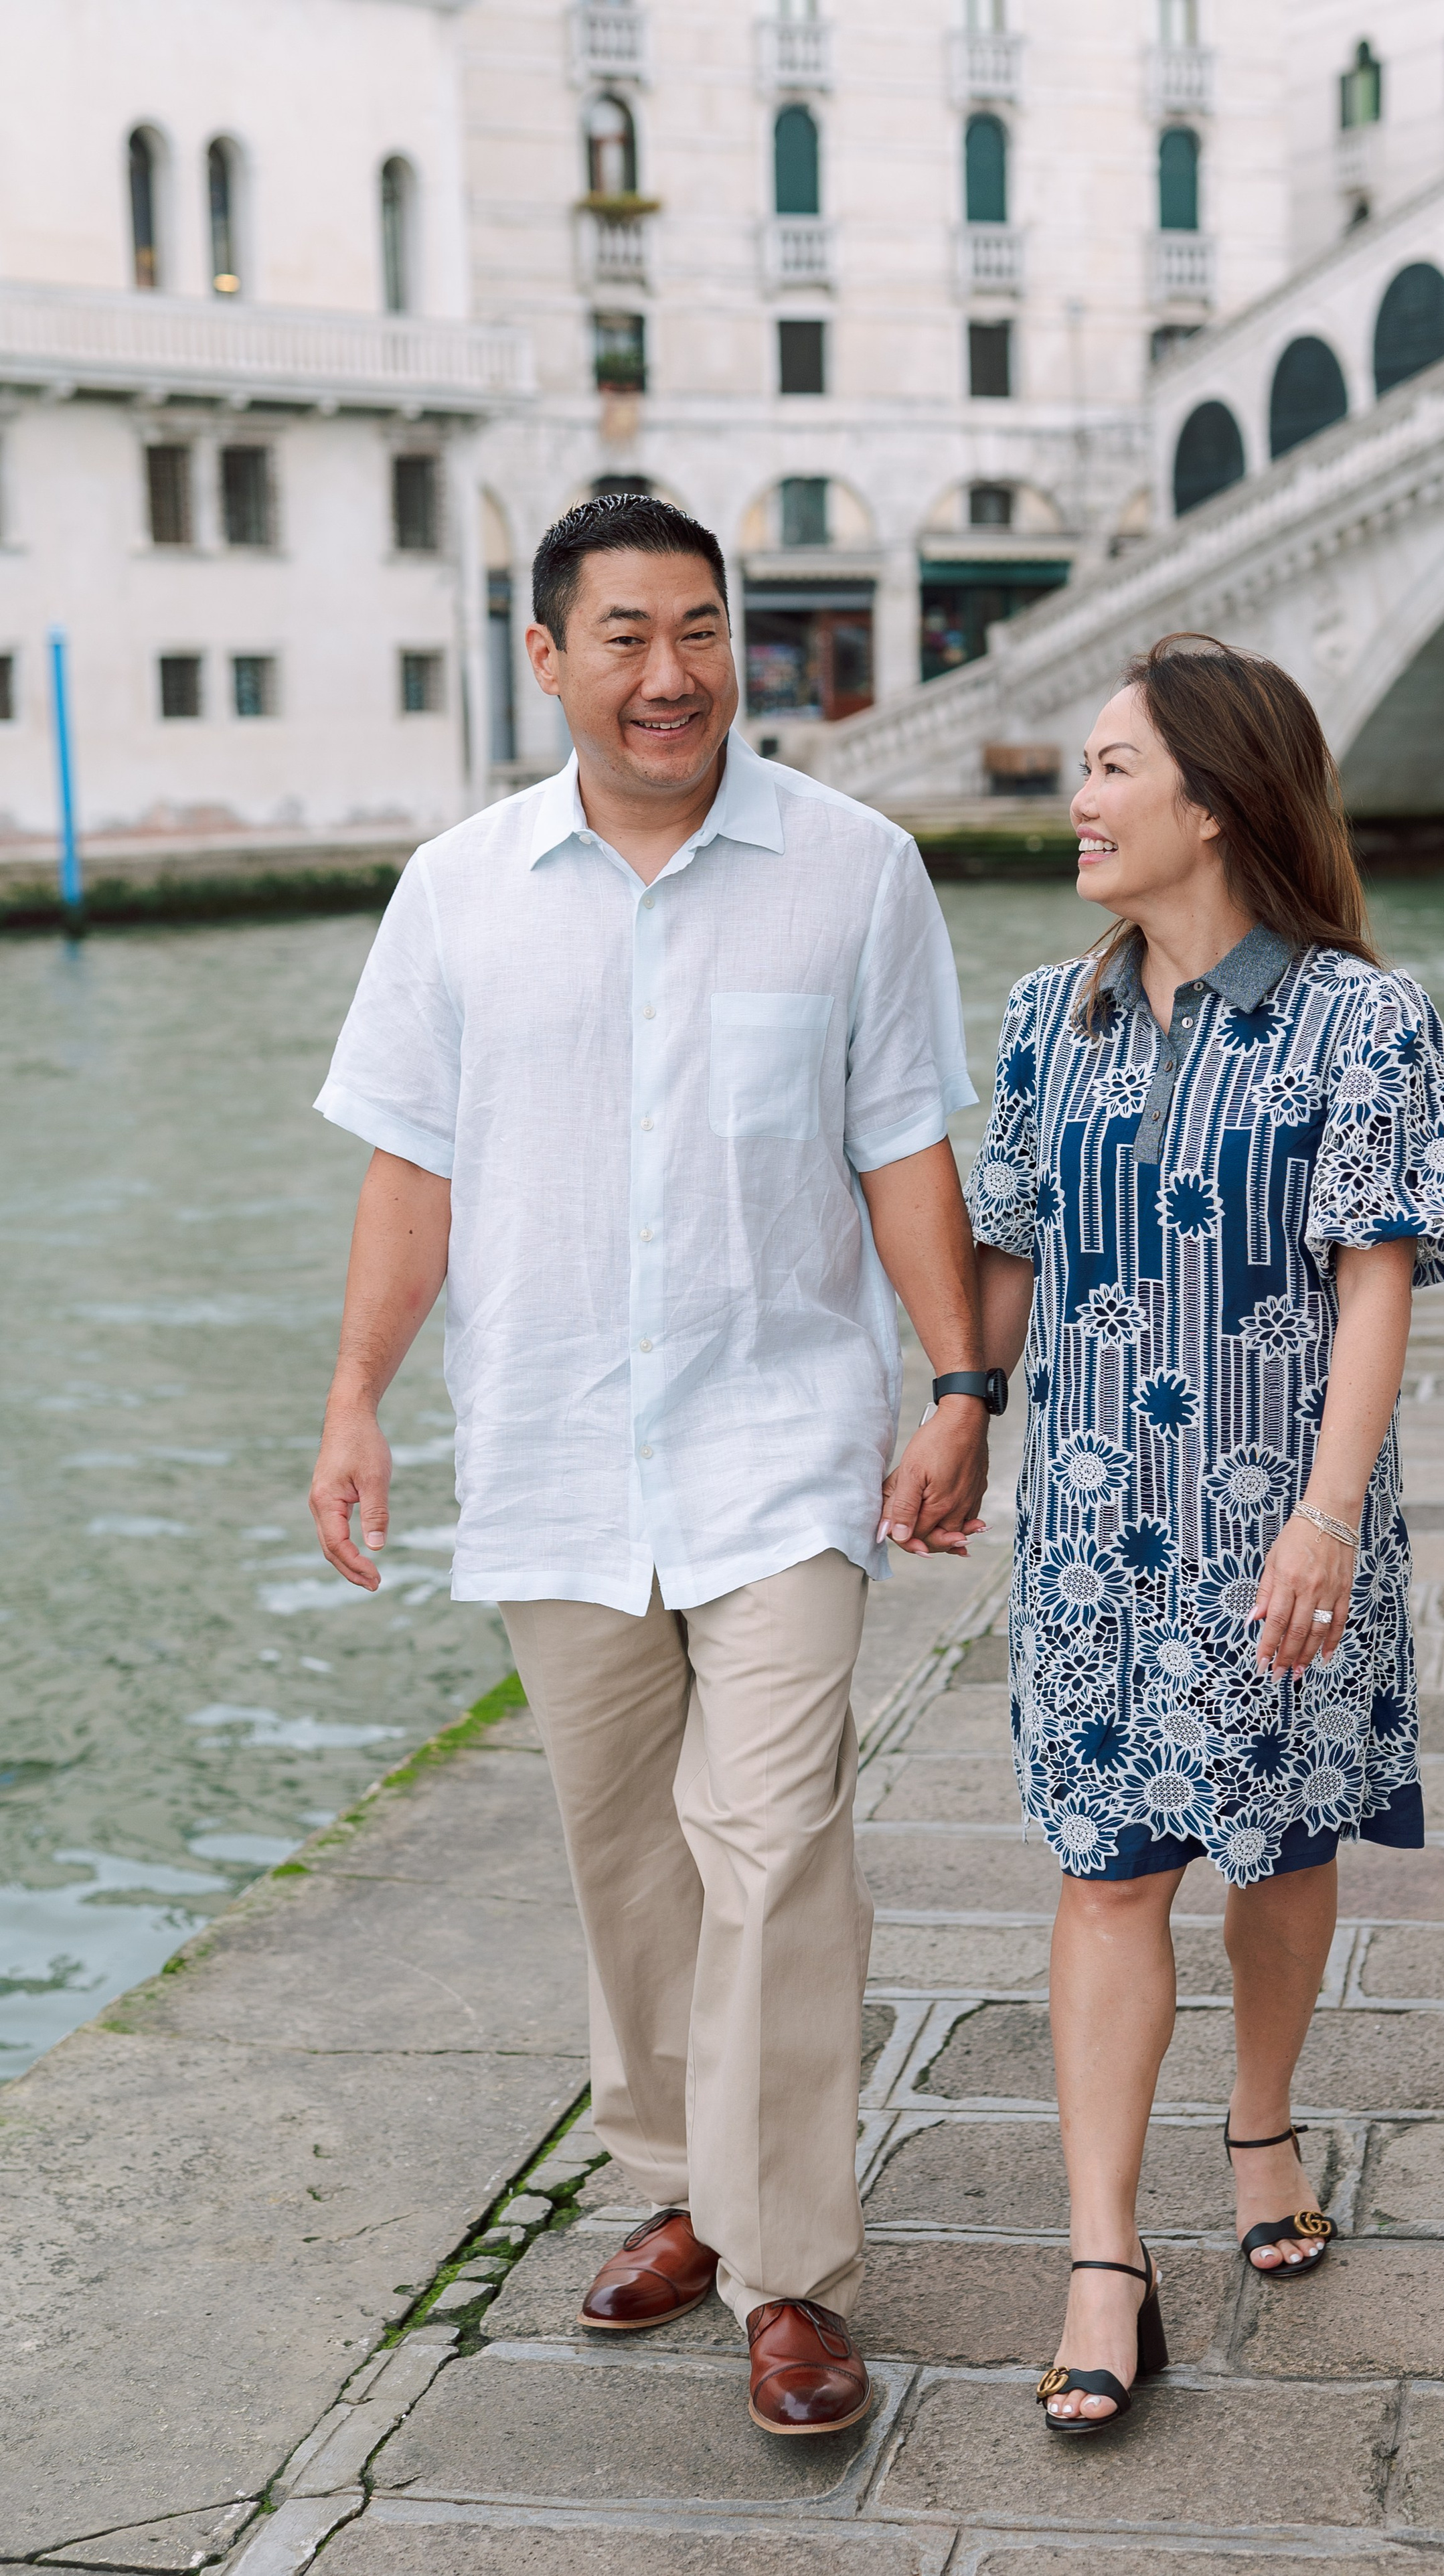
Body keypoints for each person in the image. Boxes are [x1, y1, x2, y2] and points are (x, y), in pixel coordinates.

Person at [307, 493, 997, 2437]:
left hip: (787, 1442)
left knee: (774, 1852)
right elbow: (409, 1168)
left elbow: (902, 1149)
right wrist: (357, 1394)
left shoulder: (854, 871)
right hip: (544, 1448)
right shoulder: (456, 890)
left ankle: (791, 2277)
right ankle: (686, 2183)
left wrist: (957, 1387)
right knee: (626, 1861)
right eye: (623, 635)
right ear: (548, 660)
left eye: (699, 629)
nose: (669, 673)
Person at [966, 635, 1444, 2435]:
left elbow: (1375, 1283)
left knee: (1277, 1844)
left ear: (1217, 795)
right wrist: (955, 1407)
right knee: (1109, 1868)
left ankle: (1260, 2126)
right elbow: (1009, 1252)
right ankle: (1105, 2257)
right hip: (1094, 1552)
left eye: (1112, 767)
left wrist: (1331, 1514)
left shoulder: (1364, 1019)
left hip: (1286, 1535)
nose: (1080, 799)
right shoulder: (1049, 1019)